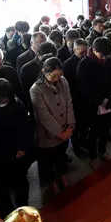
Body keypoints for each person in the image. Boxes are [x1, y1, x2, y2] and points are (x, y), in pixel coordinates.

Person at [0, 78, 29, 219]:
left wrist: (23, 146)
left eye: (3, 101)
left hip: (16, 153)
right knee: (1, 189)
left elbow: (24, 127)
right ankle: (7, 216)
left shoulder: (17, 106)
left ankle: (24, 209)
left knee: (21, 184)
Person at [30, 57, 75, 194]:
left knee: (61, 155)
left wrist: (70, 125)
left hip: (65, 128)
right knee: (47, 161)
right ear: (44, 71)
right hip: (48, 133)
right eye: (52, 75)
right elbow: (43, 116)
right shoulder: (36, 89)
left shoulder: (63, 81)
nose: (56, 78)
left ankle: (62, 175)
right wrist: (60, 133)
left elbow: (68, 102)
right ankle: (51, 182)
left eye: (58, 75)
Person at [77, 37, 111, 169]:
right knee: (93, 132)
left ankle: (102, 152)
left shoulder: (107, 60)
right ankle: (93, 156)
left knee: (104, 130)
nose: (103, 57)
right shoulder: (84, 64)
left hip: (106, 102)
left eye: (106, 55)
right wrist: (100, 100)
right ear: (93, 50)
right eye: (101, 54)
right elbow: (84, 88)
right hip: (91, 104)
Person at [63, 39, 88, 157]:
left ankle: (83, 141)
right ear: (74, 50)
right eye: (81, 53)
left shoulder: (87, 61)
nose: (83, 55)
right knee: (75, 126)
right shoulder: (68, 64)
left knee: (84, 123)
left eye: (85, 52)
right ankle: (76, 147)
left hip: (85, 98)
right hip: (75, 100)